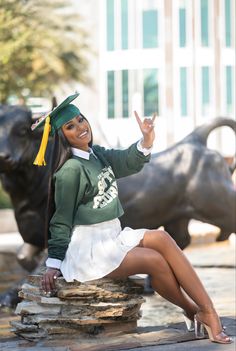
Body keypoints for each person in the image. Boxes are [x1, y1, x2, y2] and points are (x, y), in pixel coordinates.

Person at [32, 93, 232, 345]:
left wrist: (146, 139)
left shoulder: (97, 155)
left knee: (161, 237)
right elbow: (61, 219)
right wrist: (54, 262)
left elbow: (128, 161)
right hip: (90, 249)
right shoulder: (71, 170)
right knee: (154, 260)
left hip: (112, 235)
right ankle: (197, 310)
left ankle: (204, 310)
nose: (80, 128)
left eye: (81, 120)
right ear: (62, 136)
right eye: (70, 127)